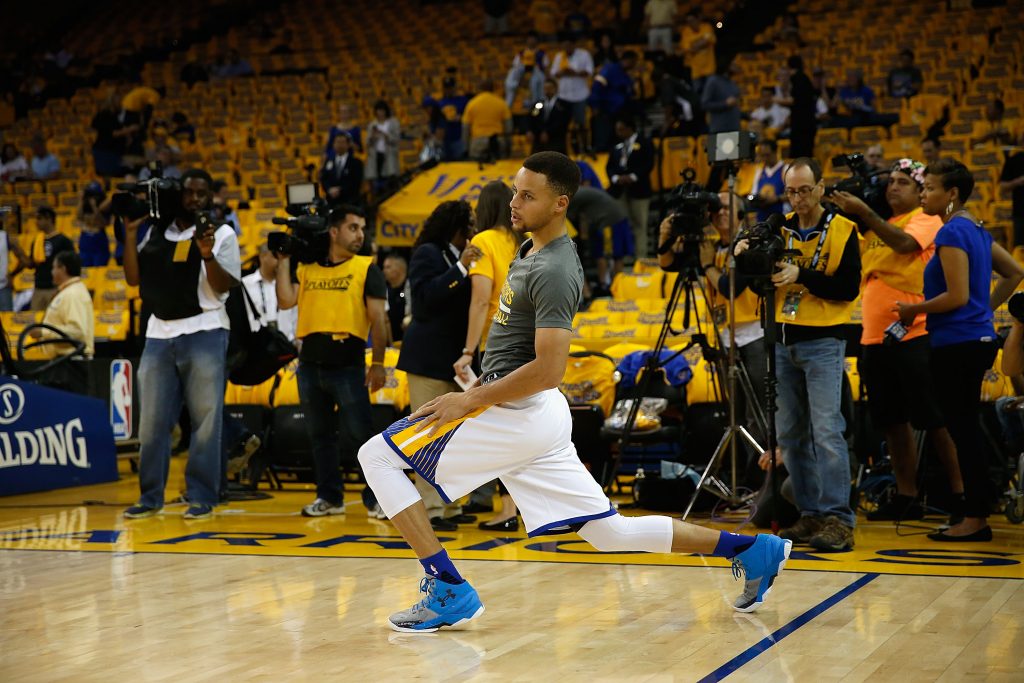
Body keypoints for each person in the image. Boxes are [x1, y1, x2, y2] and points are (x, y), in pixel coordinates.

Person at [357, 151, 792, 632]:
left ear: (560, 203)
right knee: (609, 533)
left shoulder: (557, 268)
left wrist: (471, 398)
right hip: (528, 414)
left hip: (517, 411)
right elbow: (515, 347)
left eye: (528, 195)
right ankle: (753, 550)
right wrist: (481, 380)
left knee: (378, 457)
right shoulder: (527, 249)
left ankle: (448, 587)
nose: (515, 203)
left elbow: (548, 369)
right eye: (515, 191)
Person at [896, 159, 1024, 542]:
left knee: (963, 431)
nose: (923, 194)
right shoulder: (977, 229)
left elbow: (955, 296)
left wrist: (912, 309)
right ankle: (979, 509)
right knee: (967, 428)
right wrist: (983, 309)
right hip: (975, 339)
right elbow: (1015, 272)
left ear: (951, 194)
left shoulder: (952, 233)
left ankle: (976, 517)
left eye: (929, 187)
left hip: (956, 344)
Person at [830, 159, 960, 522]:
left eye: (903, 182)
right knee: (891, 422)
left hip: (916, 333)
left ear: (921, 191)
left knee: (934, 420)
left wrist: (866, 213)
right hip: (873, 339)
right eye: (891, 182)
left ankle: (961, 492)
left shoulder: (925, 219)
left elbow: (904, 246)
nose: (893, 187)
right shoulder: (876, 229)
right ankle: (906, 494)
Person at [743, 157, 861, 552]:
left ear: (822, 188)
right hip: (781, 340)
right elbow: (756, 284)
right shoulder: (779, 227)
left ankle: (838, 518)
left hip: (825, 341)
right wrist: (746, 254)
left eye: (805, 190)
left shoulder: (843, 229)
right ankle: (810, 514)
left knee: (827, 430)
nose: (798, 198)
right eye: (791, 191)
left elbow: (847, 288)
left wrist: (802, 276)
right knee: (791, 434)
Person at [122, 169, 242, 520]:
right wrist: (130, 235)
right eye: (188, 193)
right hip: (159, 333)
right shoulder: (155, 233)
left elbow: (223, 288)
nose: (194, 199)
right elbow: (133, 279)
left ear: (210, 197)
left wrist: (206, 254)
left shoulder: (221, 233)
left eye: (201, 193)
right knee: (152, 423)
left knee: (205, 421)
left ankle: (202, 495)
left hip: (205, 331)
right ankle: (149, 496)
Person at [275, 204, 388, 517]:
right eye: (353, 227)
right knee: (320, 436)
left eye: (362, 229)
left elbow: (379, 322)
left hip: (348, 363)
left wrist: (377, 364)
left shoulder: (367, 268)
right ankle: (329, 497)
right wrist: (284, 260)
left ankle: (377, 498)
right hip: (309, 363)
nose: (360, 235)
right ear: (334, 231)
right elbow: (285, 300)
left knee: (361, 436)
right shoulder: (307, 267)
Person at [397, 201, 482, 532]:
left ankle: (448, 507)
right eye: (469, 226)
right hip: (427, 360)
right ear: (457, 227)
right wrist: (460, 268)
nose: (472, 233)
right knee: (427, 437)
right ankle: (431, 509)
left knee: (452, 440)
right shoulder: (428, 253)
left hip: (453, 363)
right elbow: (424, 300)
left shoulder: (453, 255)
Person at [456, 181, 523, 529]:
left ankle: (508, 511)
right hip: (527, 343)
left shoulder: (482, 242)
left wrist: (469, 351)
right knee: (521, 427)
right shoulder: (521, 241)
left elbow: (481, 299)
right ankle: (525, 506)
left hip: (497, 346)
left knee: (499, 429)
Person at [567, 186, 633, 294]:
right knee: (606, 254)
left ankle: (612, 286)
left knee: (607, 254)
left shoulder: (572, 195)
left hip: (610, 220)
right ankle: (608, 285)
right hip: (606, 219)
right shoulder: (577, 192)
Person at [30, 250, 94, 359]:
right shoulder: (68, 292)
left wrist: (43, 332)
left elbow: (77, 332)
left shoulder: (73, 294)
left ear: (63, 269)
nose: (52, 272)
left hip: (72, 361)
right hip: (63, 360)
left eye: (54, 268)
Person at [606, 117, 654, 258]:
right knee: (619, 225)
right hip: (619, 191)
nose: (618, 133)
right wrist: (615, 178)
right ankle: (621, 258)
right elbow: (609, 166)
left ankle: (641, 259)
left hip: (639, 190)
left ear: (630, 128)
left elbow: (648, 164)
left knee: (640, 226)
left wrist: (633, 176)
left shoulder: (645, 143)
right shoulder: (616, 144)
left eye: (621, 130)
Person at [550, 34, 594, 154]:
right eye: (564, 46)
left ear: (574, 45)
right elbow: (554, 73)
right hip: (564, 95)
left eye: (569, 45)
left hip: (580, 96)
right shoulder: (560, 56)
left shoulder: (584, 54)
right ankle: (563, 151)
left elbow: (589, 72)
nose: (567, 48)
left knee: (581, 123)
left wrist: (574, 73)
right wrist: (564, 72)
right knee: (562, 125)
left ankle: (585, 148)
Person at [242, 245, 296, 341]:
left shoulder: (290, 286)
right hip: (256, 345)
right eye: (276, 256)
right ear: (262, 256)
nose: (280, 261)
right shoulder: (245, 284)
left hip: (287, 346)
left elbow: (295, 316)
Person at [26, 206, 75, 311]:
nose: (36, 222)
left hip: (55, 288)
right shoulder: (37, 241)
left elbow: (71, 264)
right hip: (39, 287)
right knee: (37, 320)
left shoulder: (63, 241)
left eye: (39, 218)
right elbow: (32, 263)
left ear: (48, 218)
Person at [589, 50, 638, 153]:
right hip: (605, 110)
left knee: (616, 140)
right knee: (603, 139)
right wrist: (595, 106)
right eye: (633, 62)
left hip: (619, 112)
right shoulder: (610, 69)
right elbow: (597, 86)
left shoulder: (626, 74)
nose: (634, 65)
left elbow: (629, 92)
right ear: (627, 60)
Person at [462, 80, 512, 161]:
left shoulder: (472, 103)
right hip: (498, 141)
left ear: (479, 89)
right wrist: (508, 145)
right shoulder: (501, 103)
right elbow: (509, 127)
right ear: (493, 89)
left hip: (478, 142)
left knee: (476, 170)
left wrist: (466, 147)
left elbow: (465, 127)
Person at [423, 77, 470, 162]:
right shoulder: (440, 102)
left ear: (455, 87)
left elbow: (469, 117)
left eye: (450, 87)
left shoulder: (463, 100)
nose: (449, 90)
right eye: (446, 88)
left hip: (458, 138)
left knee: (461, 163)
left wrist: (461, 118)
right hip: (445, 141)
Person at [365, 100, 401, 195]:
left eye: (382, 110)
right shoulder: (372, 124)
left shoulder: (393, 122)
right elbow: (367, 142)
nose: (380, 113)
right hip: (376, 156)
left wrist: (385, 135)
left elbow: (397, 138)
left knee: (391, 179)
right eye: (378, 110)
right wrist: (373, 136)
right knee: (378, 180)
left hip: (389, 155)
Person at [529, 78, 572, 155]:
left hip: (557, 140)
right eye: (545, 88)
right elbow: (533, 118)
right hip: (539, 140)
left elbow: (562, 121)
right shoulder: (538, 104)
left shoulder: (563, 105)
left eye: (550, 88)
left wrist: (548, 132)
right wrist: (539, 131)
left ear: (555, 89)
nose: (547, 91)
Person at [319, 131, 364, 207]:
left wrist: (340, 190)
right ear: (333, 144)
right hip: (331, 203)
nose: (340, 145)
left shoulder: (356, 163)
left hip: (350, 202)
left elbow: (356, 182)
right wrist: (329, 189)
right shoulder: (328, 161)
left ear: (348, 144)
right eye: (337, 142)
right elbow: (324, 178)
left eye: (342, 142)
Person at [785, 56, 817, 158]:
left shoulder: (797, 79)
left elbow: (795, 100)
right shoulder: (805, 78)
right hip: (807, 124)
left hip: (801, 126)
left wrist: (775, 99)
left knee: (800, 155)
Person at [749, 139, 787, 222]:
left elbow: (793, 194)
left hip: (781, 216)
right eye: (762, 155)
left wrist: (777, 199)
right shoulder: (759, 171)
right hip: (762, 218)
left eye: (767, 155)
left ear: (775, 152)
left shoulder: (786, 169)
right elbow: (753, 194)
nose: (765, 158)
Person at [999, 135, 1024, 247]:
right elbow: (1003, 187)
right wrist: (1018, 181)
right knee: (1019, 249)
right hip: (1020, 213)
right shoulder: (1014, 161)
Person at [680, 12, 716, 90]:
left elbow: (709, 39)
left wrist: (695, 45)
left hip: (709, 68)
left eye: (692, 20)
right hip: (695, 70)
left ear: (698, 20)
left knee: (710, 91)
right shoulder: (686, 31)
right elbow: (687, 48)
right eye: (688, 22)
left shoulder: (706, 27)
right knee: (697, 92)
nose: (690, 23)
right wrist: (703, 42)